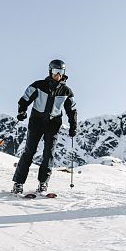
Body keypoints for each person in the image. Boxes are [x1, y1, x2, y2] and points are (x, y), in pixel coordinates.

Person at [11, 59, 78, 194]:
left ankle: (43, 183)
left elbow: (72, 110)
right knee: (29, 152)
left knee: (49, 154)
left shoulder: (67, 91)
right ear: (50, 71)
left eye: (61, 72)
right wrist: (22, 111)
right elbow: (25, 99)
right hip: (36, 122)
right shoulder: (38, 85)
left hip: (53, 124)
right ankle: (18, 183)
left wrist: (73, 126)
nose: (58, 75)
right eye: (55, 71)